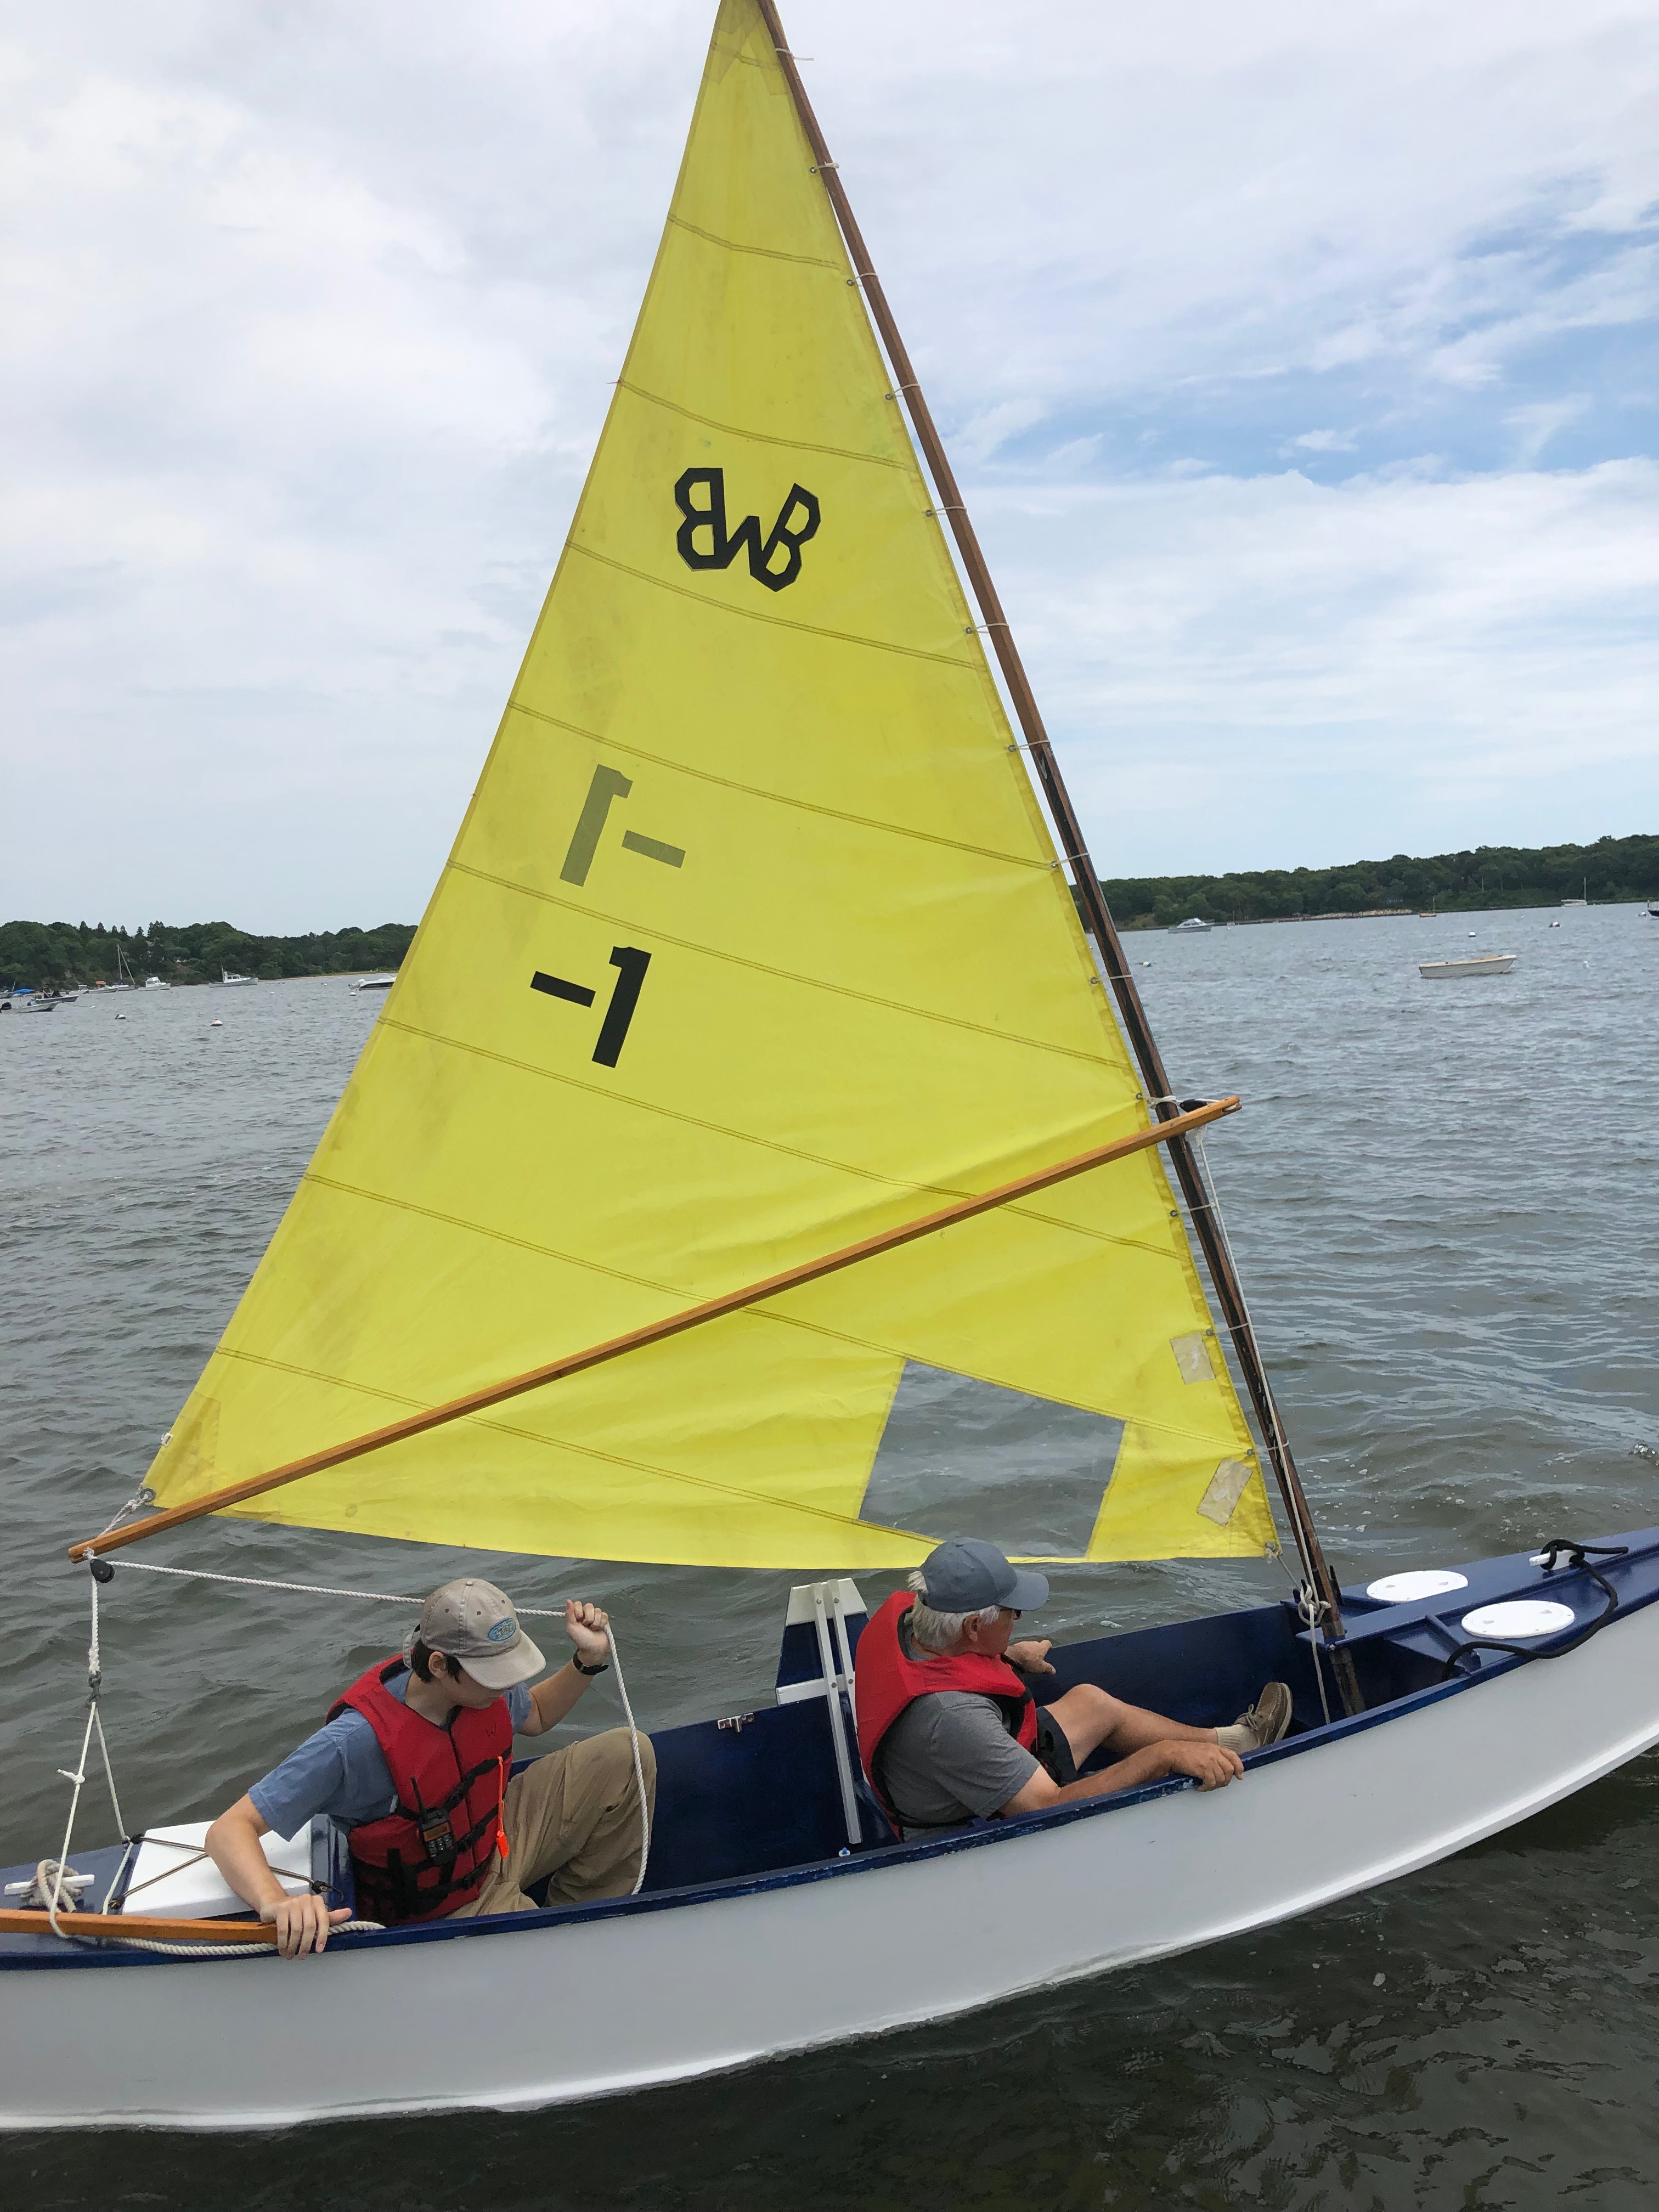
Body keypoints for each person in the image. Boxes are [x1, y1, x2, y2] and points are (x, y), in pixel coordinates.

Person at [206, 1577, 655, 1957]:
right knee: (564, 1958)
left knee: (627, 1755)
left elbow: (534, 1713)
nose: (508, 1686)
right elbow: (230, 1829)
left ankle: (587, 1913)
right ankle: (576, 1946)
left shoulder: (483, 1688)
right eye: (494, 1675)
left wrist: (588, 1660)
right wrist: (276, 1902)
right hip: (441, 1905)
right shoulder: (355, 1742)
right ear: (439, 1665)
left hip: (493, 1843)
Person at [855, 1537, 1291, 1838]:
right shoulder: (952, 1720)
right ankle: (1186, 1753)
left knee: (1092, 1702)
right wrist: (1162, 1757)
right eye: (1012, 1613)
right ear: (972, 1626)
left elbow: (943, 1663)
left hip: (955, 1771)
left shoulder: (910, 1621)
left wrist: (1007, 1657)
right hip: (971, 1824)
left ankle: (1240, 1741)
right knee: (1137, 1765)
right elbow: (1048, 1805)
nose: (1017, 1621)